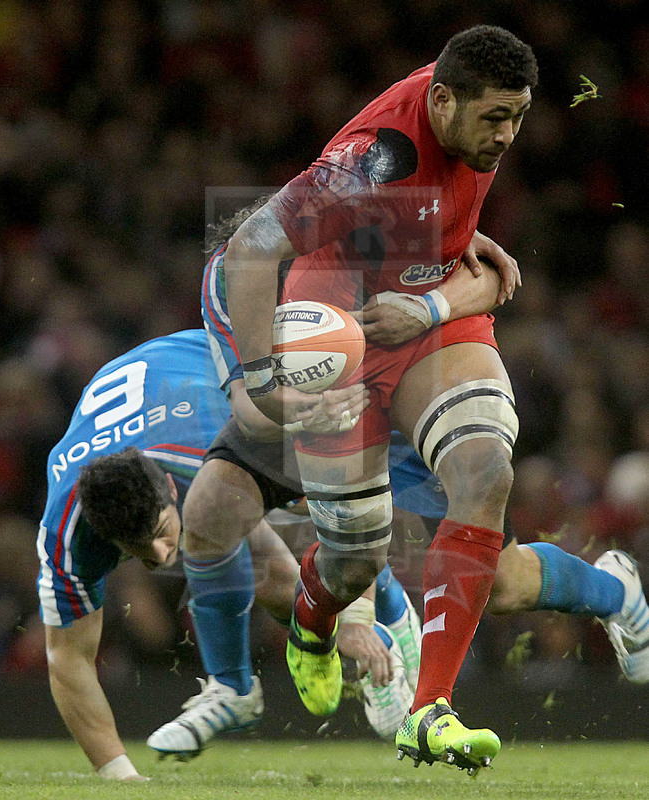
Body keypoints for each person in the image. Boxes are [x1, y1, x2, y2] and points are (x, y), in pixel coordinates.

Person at [219, 24, 649, 774]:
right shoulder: (378, 157)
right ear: (443, 101)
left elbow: (466, 249)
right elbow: (256, 244)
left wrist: (438, 300)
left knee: (486, 470)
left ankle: (429, 710)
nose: (509, 136)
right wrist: (265, 380)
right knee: (357, 556)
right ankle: (312, 625)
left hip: (428, 318)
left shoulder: (469, 98)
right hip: (341, 330)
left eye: (518, 117)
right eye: (494, 119)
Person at [37, 328, 384, 780]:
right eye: (137, 549)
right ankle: (239, 685)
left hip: (212, 369)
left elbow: (347, 510)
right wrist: (120, 777)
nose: (162, 556)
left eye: (161, 533)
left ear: (168, 489)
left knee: (294, 564)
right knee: (257, 568)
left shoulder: (212, 456)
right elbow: (67, 660)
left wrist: (359, 617)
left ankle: (392, 635)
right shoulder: (66, 538)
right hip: (142, 403)